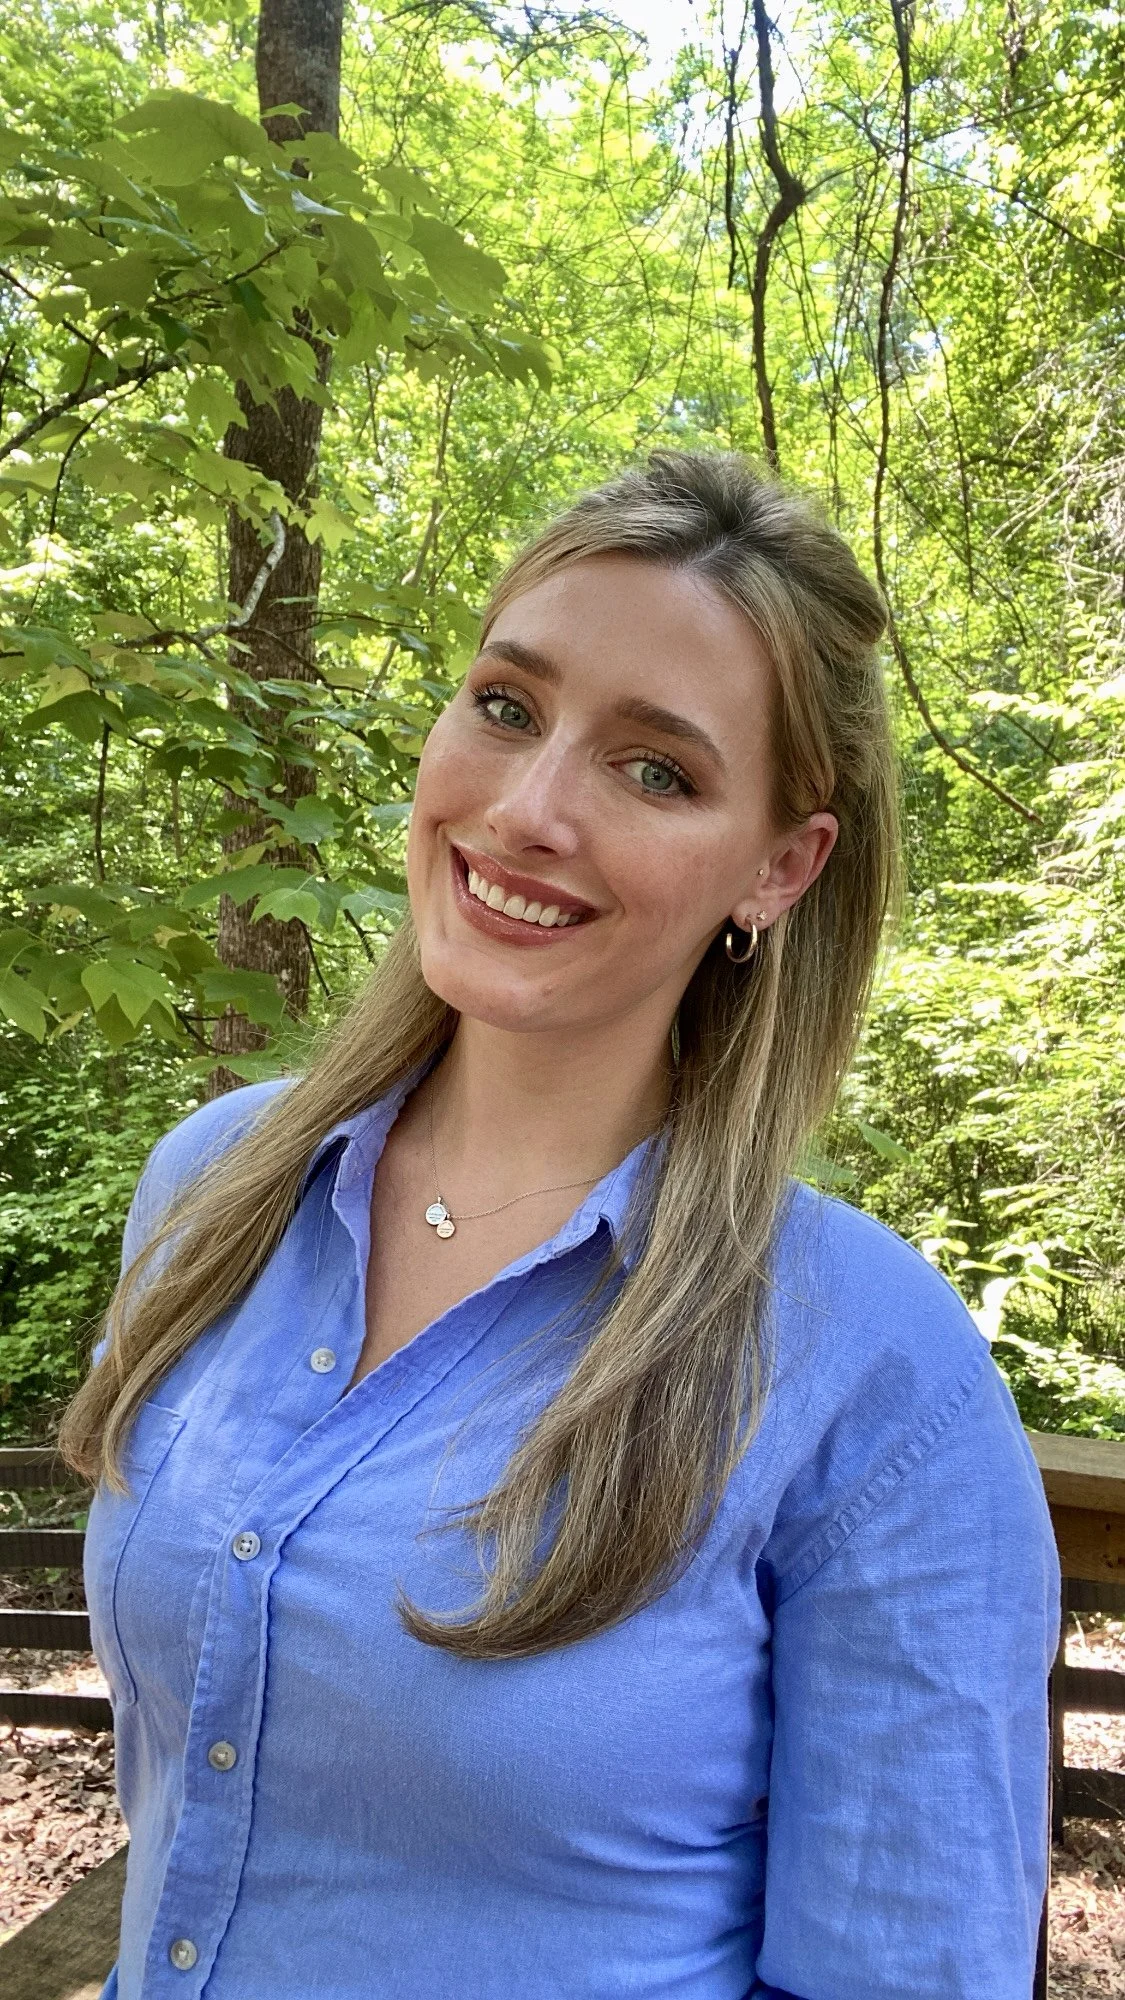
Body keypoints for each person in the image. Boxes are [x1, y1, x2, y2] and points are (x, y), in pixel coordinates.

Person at [63, 450, 1059, 2000]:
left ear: (781, 868)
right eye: (508, 708)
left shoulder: (877, 1380)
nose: (527, 812)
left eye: (656, 771)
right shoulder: (211, 1189)